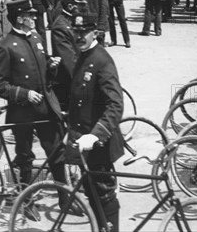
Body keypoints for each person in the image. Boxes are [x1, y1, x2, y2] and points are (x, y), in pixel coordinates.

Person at [0, 0, 69, 219]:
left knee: (56, 153)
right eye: (31, 15)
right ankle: (26, 201)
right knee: (25, 157)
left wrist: (51, 67)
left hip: (45, 107)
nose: (35, 18)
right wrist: (24, 94)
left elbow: (41, 70)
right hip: (22, 112)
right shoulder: (5, 46)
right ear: (20, 18)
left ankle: (65, 198)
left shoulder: (36, 37)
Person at [67, 12, 124, 231]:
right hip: (84, 141)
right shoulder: (81, 55)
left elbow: (115, 104)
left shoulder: (101, 60)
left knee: (104, 193)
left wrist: (96, 134)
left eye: (84, 32)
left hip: (99, 143)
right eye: (76, 31)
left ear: (95, 33)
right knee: (92, 191)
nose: (79, 36)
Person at [50, 0, 86, 109]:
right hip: (67, 81)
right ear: (70, 6)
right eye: (79, 5)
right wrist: (83, 79)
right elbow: (69, 60)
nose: (82, 8)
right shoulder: (60, 27)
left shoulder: (72, 21)